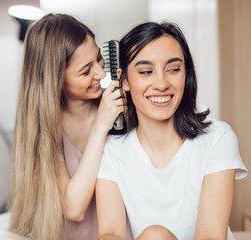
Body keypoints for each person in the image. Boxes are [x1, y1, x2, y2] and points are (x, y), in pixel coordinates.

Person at [96, 21, 248, 240]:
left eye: (174, 69)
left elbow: (211, 236)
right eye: (146, 71)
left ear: (186, 75)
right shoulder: (110, 151)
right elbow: (110, 232)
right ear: (124, 80)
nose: (161, 83)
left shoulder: (217, 138)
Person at [9, 14, 125, 240]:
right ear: (55, 79)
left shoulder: (118, 112)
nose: (101, 74)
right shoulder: (49, 132)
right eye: (85, 71)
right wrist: (101, 126)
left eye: (99, 59)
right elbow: (74, 209)